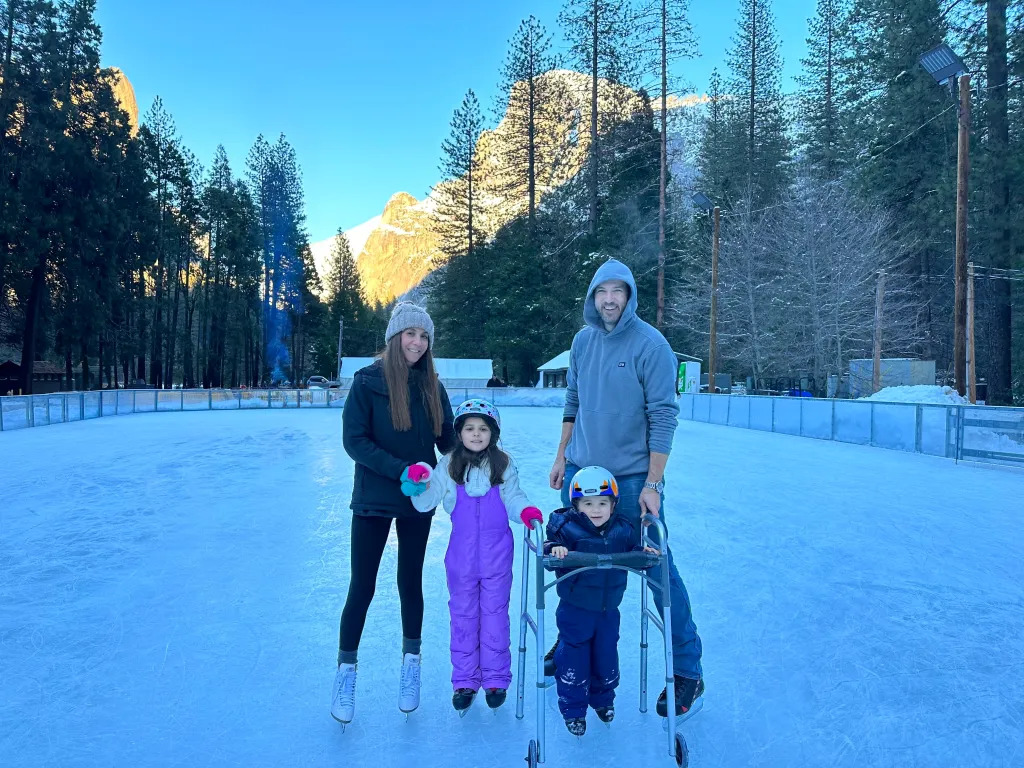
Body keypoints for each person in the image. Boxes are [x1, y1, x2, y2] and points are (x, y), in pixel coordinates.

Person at [548, 256, 705, 718]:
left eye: (618, 291)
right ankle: (573, 642)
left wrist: (653, 482)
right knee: (577, 565)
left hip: (633, 480)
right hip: (580, 474)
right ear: (593, 298)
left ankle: (688, 672)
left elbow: (663, 415)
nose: (610, 299)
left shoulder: (651, 346)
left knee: (657, 573)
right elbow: (573, 400)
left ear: (630, 297)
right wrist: (561, 455)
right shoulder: (582, 341)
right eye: (602, 291)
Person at [330, 302, 456, 726]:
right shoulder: (367, 382)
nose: (418, 343)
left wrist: (479, 449)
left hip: (417, 501)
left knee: (410, 581)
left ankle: (411, 663)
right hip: (373, 498)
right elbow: (354, 441)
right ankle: (346, 671)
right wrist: (399, 469)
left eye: (424, 337)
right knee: (361, 586)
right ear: (394, 336)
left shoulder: (432, 387)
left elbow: (448, 441)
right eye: (410, 334)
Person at [408, 399, 543, 714]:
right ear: (459, 432)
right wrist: (417, 486)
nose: (477, 434)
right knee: (464, 617)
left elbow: (513, 497)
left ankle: (496, 679)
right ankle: (465, 681)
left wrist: (526, 512)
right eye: (470, 428)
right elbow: (427, 501)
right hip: (461, 558)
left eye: (483, 428)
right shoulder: (450, 464)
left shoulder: (503, 464)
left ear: (493, 433)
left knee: (495, 617)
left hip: (498, 556)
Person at [544, 466, 655, 736]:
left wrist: (643, 552)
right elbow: (548, 548)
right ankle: (573, 709)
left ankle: (603, 700)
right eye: (588, 503)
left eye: (602, 503)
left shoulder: (622, 529)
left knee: (606, 655)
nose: (596, 510)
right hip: (575, 609)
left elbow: (633, 550)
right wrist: (555, 549)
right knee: (575, 657)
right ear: (576, 504)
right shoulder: (566, 528)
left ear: (613, 504)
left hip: (609, 611)